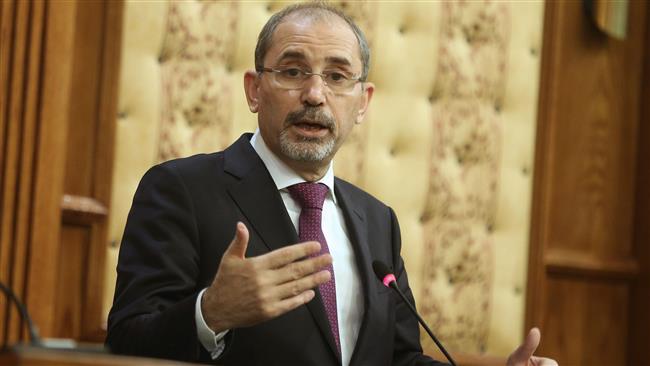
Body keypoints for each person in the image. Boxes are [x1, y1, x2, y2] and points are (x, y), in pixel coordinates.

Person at [107, 3, 558, 366]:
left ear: (363, 103)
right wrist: (210, 313)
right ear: (254, 90)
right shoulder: (181, 190)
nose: (315, 94)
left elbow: (399, 358)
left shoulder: (376, 220)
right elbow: (126, 343)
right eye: (292, 71)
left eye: (338, 77)